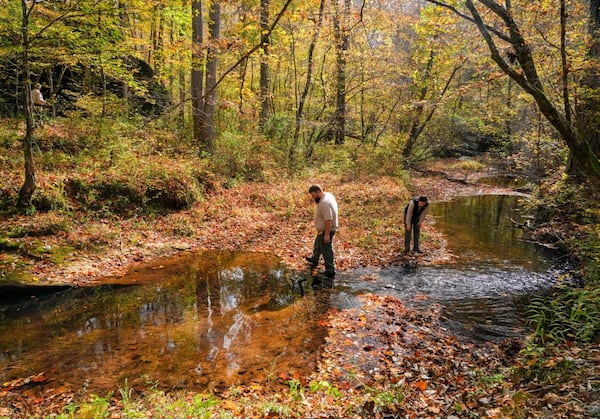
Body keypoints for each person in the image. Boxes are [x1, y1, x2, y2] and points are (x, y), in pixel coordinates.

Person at [305, 184, 339, 279]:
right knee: (318, 244)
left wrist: (327, 234)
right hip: (323, 230)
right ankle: (314, 259)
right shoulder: (328, 195)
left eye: (313, 195)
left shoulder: (324, 202)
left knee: (326, 249)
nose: (313, 197)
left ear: (318, 192)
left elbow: (328, 219)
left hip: (327, 229)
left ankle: (330, 270)